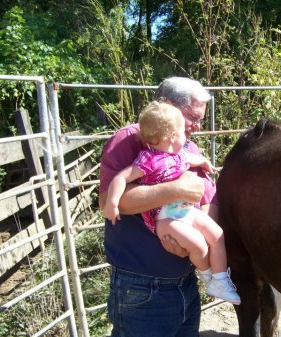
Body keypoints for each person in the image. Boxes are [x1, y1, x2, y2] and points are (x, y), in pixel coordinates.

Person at [99, 77, 223, 337]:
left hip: (186, 283)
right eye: (192, 117)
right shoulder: (129, 140)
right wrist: (176, 190)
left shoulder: (186, 147)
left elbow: (208, 198)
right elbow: (109, 202)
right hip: (143, 285)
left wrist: (198, 235)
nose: (197, 127)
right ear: (167, 105)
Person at [102, 101, 240, 305]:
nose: (193, 129)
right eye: (188, 124)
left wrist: (203, 162)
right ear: (172, 136)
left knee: (217, 234)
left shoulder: (179, 154)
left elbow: (192, 159)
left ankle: (220, 279)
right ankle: (209, 275)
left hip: (183, 211)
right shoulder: (147, 159)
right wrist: (113, 203)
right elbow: (121, 178)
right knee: (199, 245)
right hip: (165, 217)